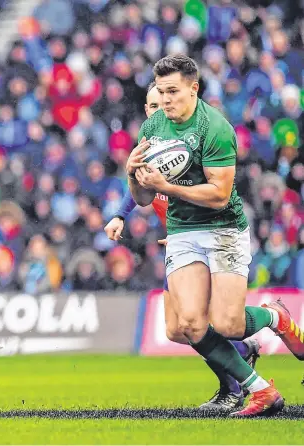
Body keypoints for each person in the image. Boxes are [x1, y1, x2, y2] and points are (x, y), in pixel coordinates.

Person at [126, 55, 303, 417]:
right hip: (182, 232)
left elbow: (220, 194)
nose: (167, 100)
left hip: (223, 227)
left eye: (173, 91)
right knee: (189, 324)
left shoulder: (216, 128)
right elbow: (143, 198)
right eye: (161, 92)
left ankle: (273, 317)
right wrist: (133, 174)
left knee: (228, 324)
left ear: (194, 88)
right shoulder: (153, 128)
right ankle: (260, 390)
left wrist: (167, 187)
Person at [105, 81, 261, 412]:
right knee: (176, 331)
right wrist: (119, 215)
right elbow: (138, 189)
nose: (156, 111)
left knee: (199, 325)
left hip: (206, 242)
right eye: (150, 107)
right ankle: (241, 352)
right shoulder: (154, 151)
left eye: (161, 105)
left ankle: (233, 387)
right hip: (179, 245)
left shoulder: (185, 150)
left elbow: (218, 191)